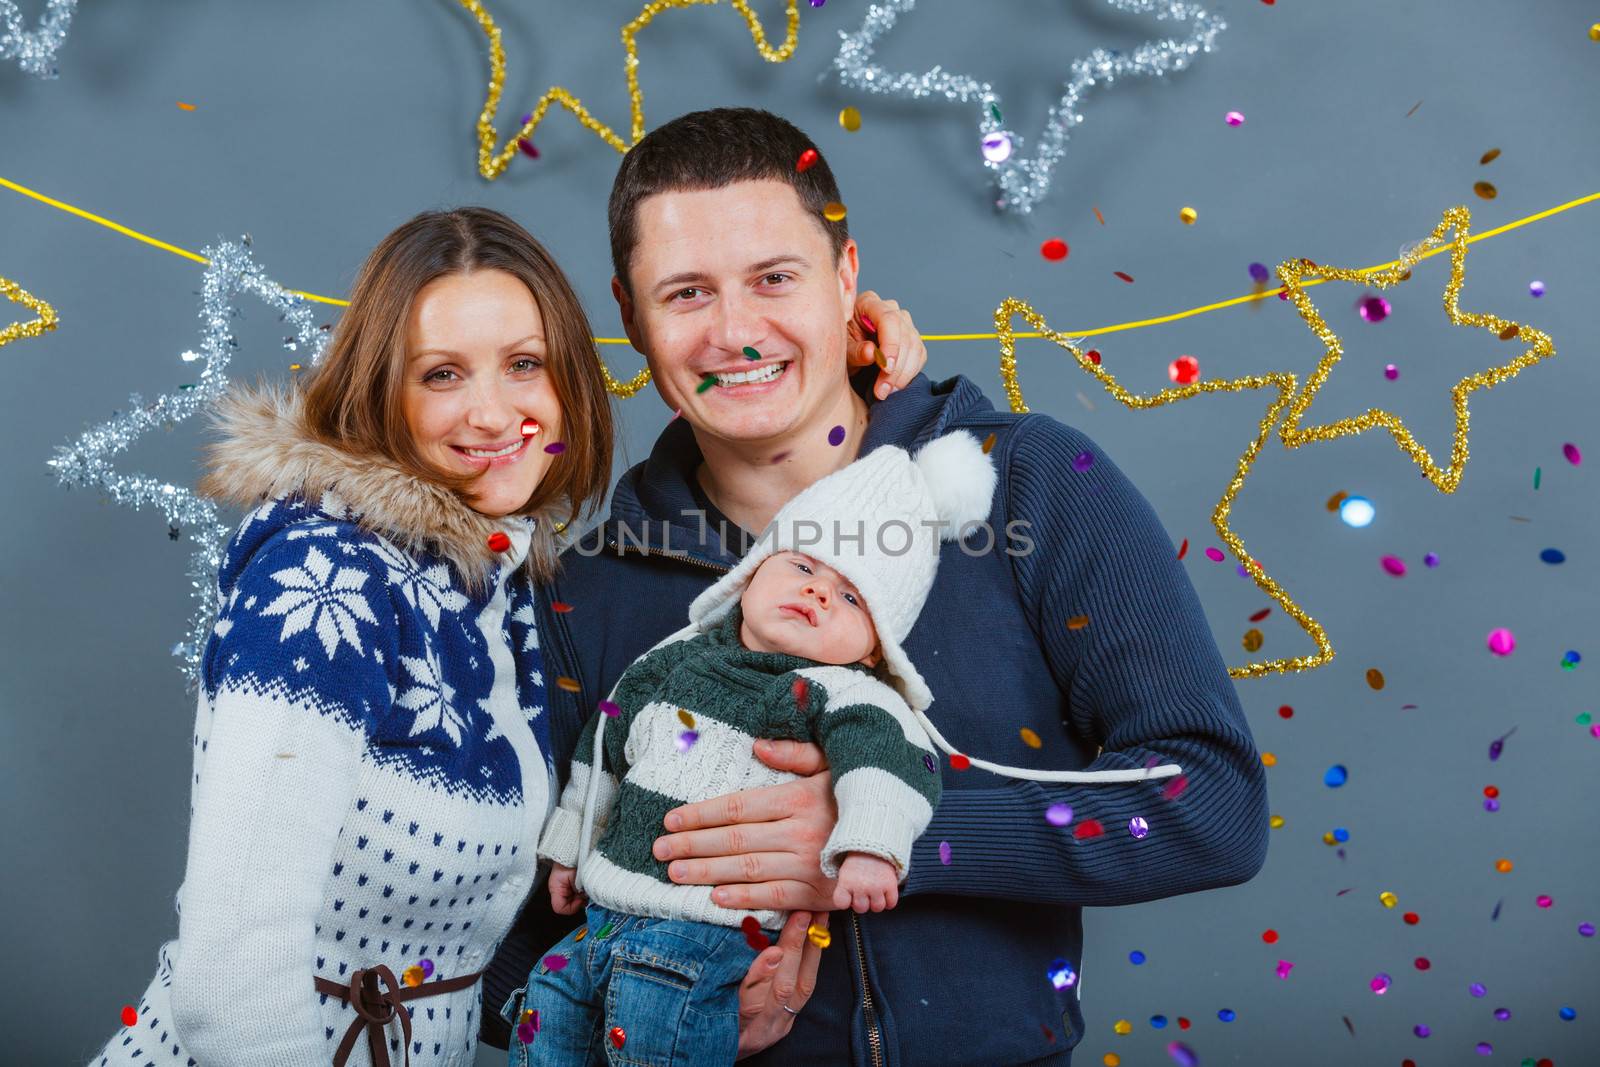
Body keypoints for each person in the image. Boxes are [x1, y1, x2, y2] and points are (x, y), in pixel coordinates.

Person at [483, 108, 1269, 1066]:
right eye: (686, 293)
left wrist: (895, 832)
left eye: (775, 278)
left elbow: (1213, 803)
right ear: (631, 316)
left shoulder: (1030, 487)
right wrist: (635, 1025)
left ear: (845, 278)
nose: (736, 332)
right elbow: (503, 930)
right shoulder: (586, 589)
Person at [86, 206, 916, 1067]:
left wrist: (834, 353)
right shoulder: (322, 567)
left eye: (524, 364)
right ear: (383, 392)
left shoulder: (496, 584)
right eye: (442, 374)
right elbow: (231, 981)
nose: (492, 414)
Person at [511, 431, 996, 1066]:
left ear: (874, 647)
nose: (819, 591)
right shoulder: (671, 661)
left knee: (654, 1035)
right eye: (803, 565)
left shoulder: (839, 692)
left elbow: (887, 769)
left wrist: (872, 848)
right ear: (753, 571)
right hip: (603, 913)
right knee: (546, 1005)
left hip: (700, 933)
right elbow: (602, 754)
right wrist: (570, 851)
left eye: (852, 596)